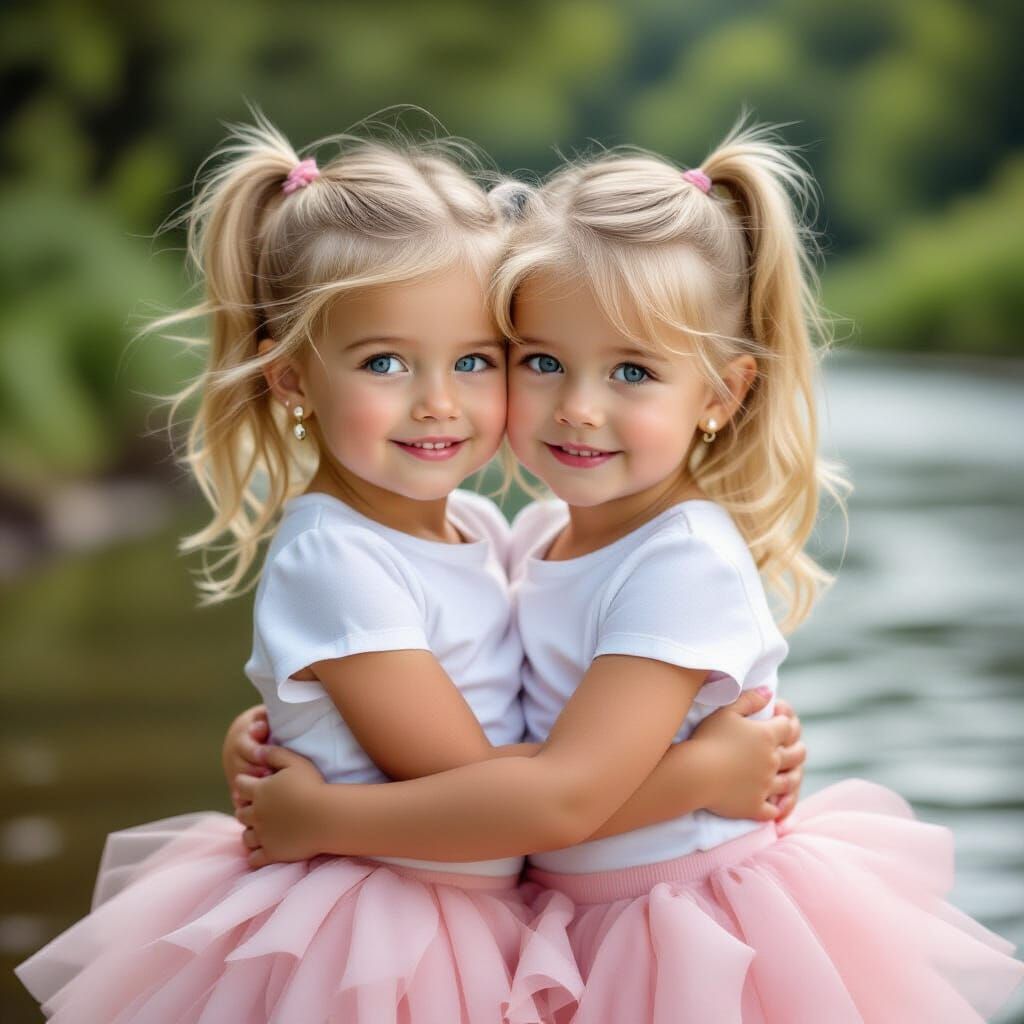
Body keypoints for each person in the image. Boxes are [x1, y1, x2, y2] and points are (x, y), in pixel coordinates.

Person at [14, 114, 805, 1024]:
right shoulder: (350, 554)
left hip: (620, 918)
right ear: (292, 381)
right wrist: (701, 774)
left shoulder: (501, 532)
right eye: (386, 362)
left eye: (475, 360)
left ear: (722, 392)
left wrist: (313, 769)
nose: (439, 401)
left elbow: (526, 784)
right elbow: (511, 806)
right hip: (401, 925)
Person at [236, 118, 1024, 1022]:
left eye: (634, 373)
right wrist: (282, 738)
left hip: (682, 929)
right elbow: (507, 779)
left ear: (720, 396)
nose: (577, 409)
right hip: (533, 921)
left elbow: (549, 798)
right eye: (539, 361)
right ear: (292, 379)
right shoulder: (521, 536)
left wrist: (325, 813)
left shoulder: (678, 561)